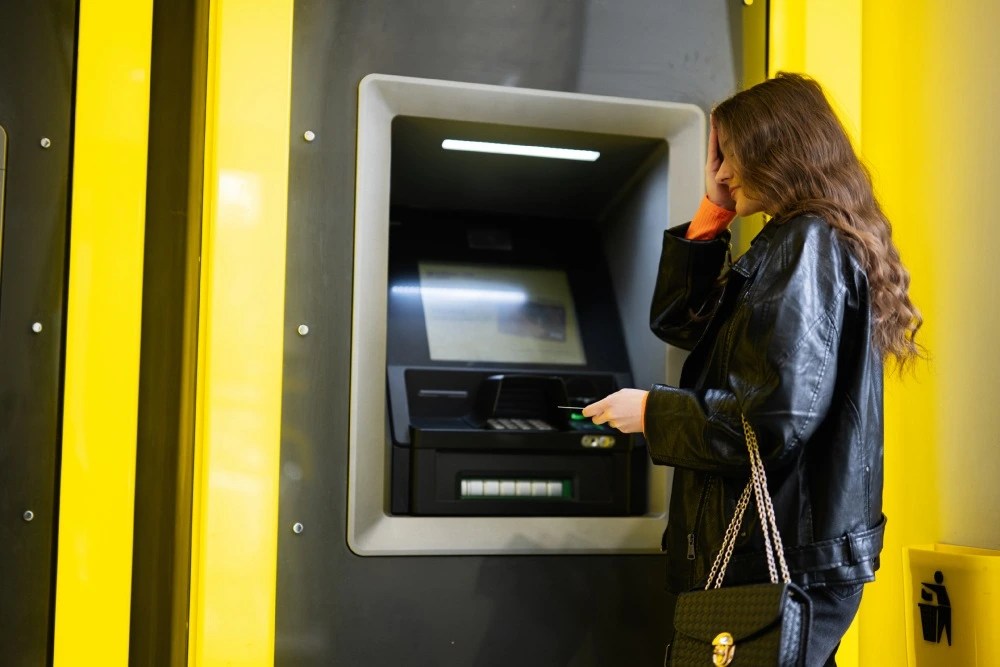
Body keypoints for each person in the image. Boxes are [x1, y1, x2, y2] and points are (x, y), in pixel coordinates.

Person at [581, 72, 922, 666]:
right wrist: (714, 210)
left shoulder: (806, 244)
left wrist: (652, 412)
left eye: (731, 154)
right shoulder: (793, 241)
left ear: (776, 148)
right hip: (792, 549)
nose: (722, 170)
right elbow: (682, 321)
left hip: (783, 551)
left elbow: (774, 419)